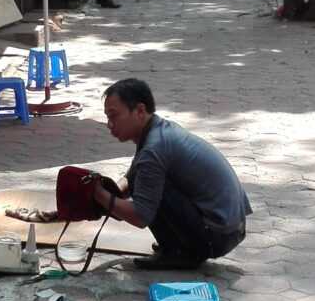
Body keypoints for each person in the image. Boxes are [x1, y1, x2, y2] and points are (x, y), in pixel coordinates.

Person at [93, 79, 251, 270]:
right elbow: (132, 176)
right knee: (142, 180)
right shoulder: (158, 130)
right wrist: (110, 189)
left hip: (218, 236)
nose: (109, 124)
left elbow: (140, 216)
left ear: (140, 111)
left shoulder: (154, 148)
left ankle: (180, 252)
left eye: (114, 116)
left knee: (147, 188)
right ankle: (178, 246)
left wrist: (98, 194)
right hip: (232, 228)